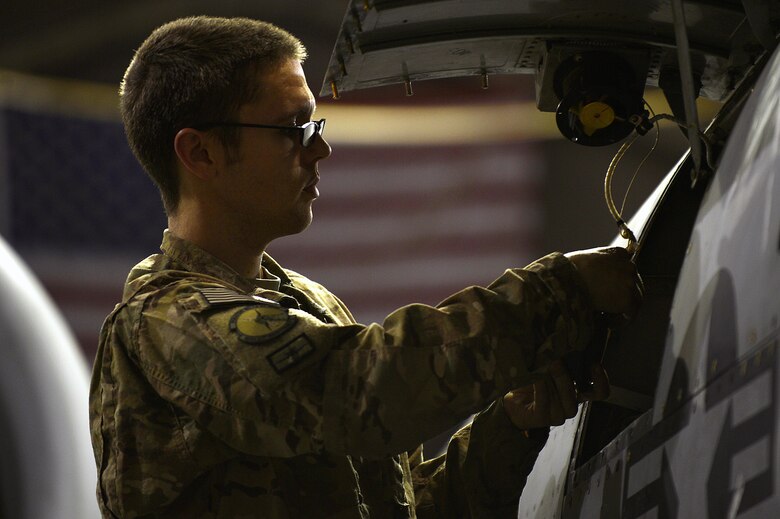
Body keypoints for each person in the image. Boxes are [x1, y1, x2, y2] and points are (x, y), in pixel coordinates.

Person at [89, 15, 643, 519]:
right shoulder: (166, 321)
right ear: (201, 154)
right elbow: (353, 391)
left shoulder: (308, 303)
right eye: (293, 129)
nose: (320, 150)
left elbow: (403, 507)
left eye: (316, 126)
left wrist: (511, 425)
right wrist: (555, 293)